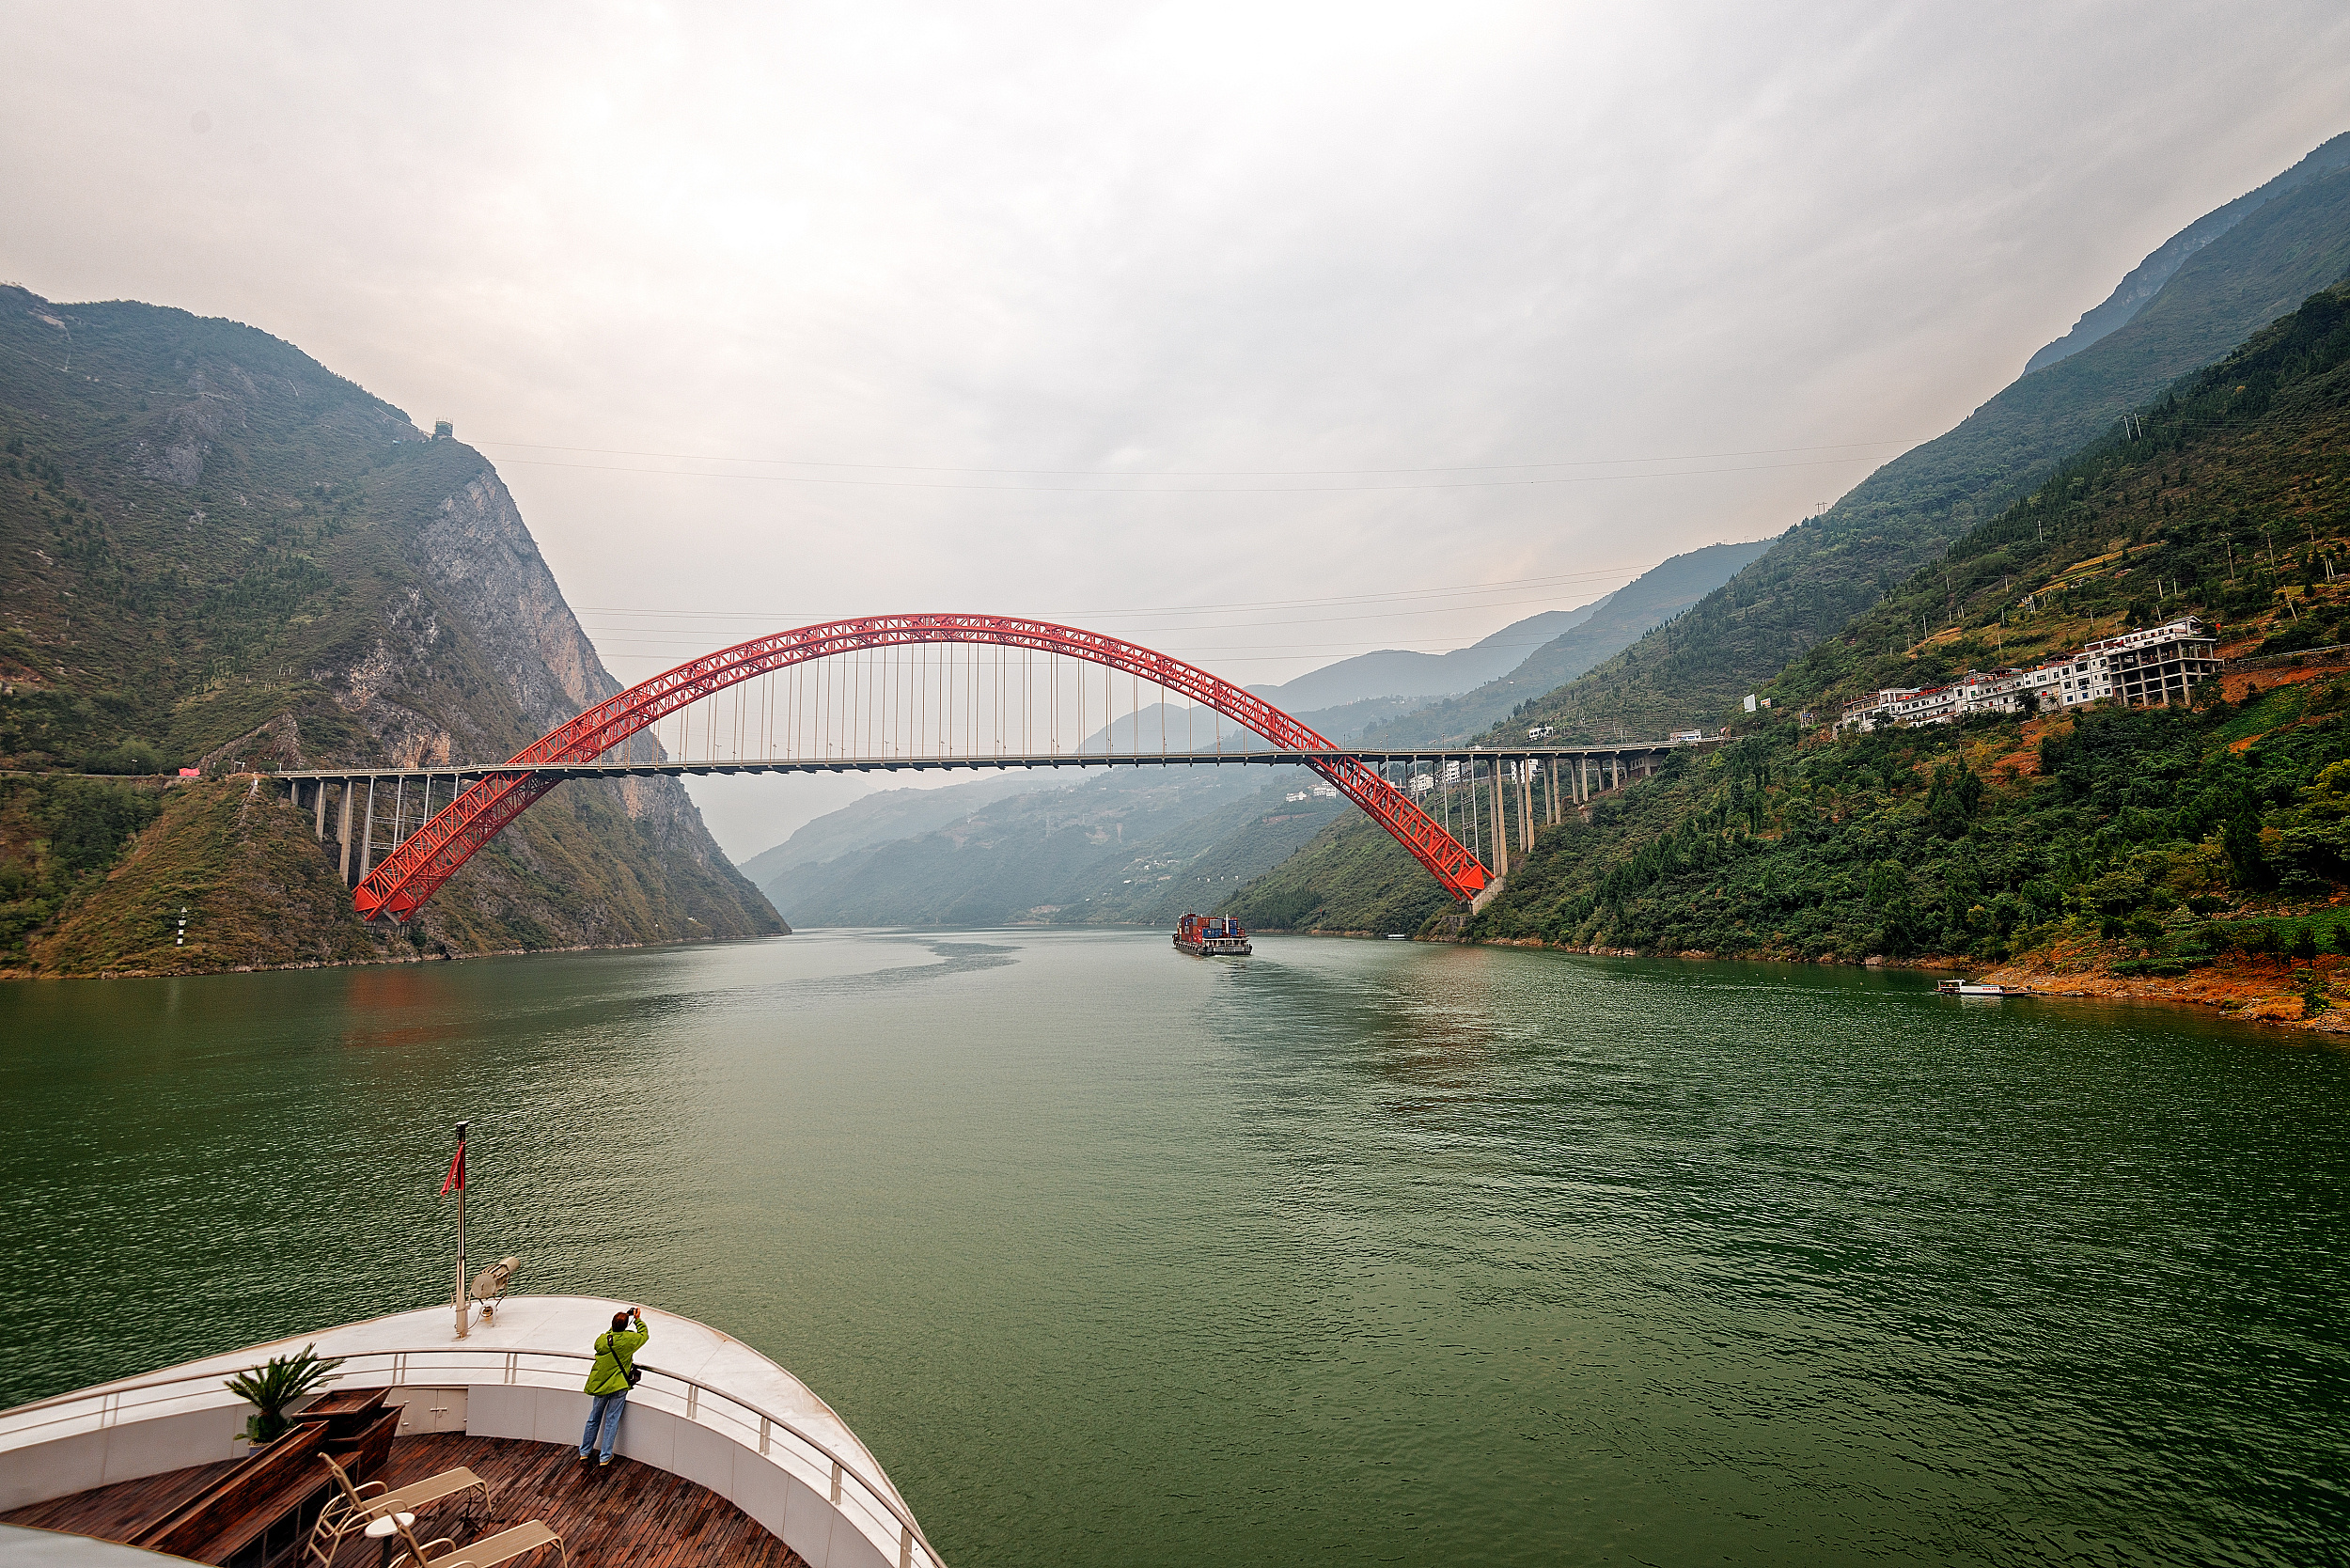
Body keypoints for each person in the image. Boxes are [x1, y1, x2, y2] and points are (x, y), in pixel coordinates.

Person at [579, 1307, 648, 1466]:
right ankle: (605, 1456)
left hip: (601, 1384)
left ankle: (585, 1451)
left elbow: (607, 1339)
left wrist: (615, 1326)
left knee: (593, 1418)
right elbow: (644, 1336)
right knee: (612, 1420)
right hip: (618, 1385)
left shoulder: (602, 1340)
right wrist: (637, 1320)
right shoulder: (628, 1341)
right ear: (625, 1327)